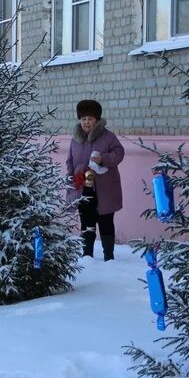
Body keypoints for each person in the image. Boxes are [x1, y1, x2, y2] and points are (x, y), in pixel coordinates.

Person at [66, 100, 124, 261]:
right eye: (83, 119)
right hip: (83, 187)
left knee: (105, 220)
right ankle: (87, 255)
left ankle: (109, 256)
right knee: (86, 220)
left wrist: (102, 159)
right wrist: (71, 179)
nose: (86, 122)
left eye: (90, 119)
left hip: (104, 187)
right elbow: (70, 161)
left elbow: (119, 154)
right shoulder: (75, 139)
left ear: (96, 120)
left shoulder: (108, 137)